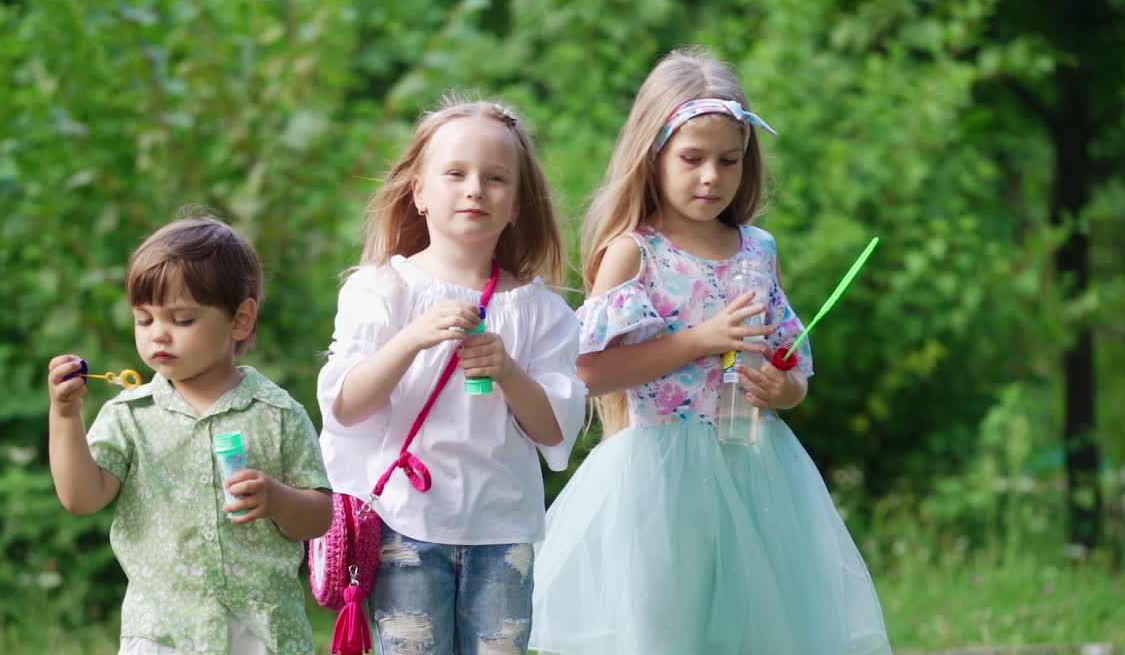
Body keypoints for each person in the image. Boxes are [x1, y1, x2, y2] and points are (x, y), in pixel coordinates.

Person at [530, 47, 893, 655]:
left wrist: (786, 390)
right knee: (665, 627)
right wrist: (699, 341)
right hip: (659, 473)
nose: (711, 177)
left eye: (728, 161)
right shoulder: (635, 254)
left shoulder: (757, 249)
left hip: (757, 468)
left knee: (757, 626)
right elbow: (588, 372)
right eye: (692, 159)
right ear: (654, 156)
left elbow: (791, 363)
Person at [317, 97, 586, 655]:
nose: (475, 190)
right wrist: (412, 338)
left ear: (515, 205)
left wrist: (508, 370)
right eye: (456, 174)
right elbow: (345, 405)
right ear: (419, 193)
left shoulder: (540, 311)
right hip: (405, 524)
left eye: (495, 178)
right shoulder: (381, 291)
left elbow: (554, 429)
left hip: (502, 530)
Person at [46, 215, 333, 655]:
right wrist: (65, 415)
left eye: (181, 319)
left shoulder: (277, 414)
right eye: (144, 320)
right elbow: (80, 498)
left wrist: (278, 499)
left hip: (261, 631)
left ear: (240, 320)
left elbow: (320, 518)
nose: (158, 333)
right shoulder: (130, 415)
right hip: (163, 630)